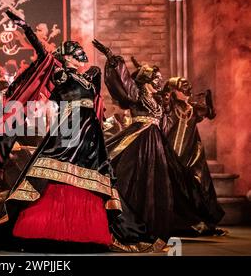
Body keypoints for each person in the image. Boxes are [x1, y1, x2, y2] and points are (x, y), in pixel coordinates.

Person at [0, 11, 164, 253]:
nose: (80, 54)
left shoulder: (90, 77)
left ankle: (90, 230)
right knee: (52, 172)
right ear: (65, 57)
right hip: (68, 129)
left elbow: (111, 91)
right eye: (74, 52)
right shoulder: (59, 74)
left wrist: (112, 58)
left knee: (92, 178)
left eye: (79, 51)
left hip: (90, 134)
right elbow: (42, 52)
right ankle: (46, 228)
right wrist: (25, 26)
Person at [94, 39, 222, 240]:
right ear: (146, 80)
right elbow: (125, 82)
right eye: (156, 78)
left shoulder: (159, 98)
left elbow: (171, 113)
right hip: (140, 138)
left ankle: (166, 219)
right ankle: (130, 217)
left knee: (165, 180)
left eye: (159, 78)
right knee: (134, 176)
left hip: (156, 140)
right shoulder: (137, 94)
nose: (159, 81)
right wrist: (112, 58)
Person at [161, 77, 225, 234]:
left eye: (188, 87)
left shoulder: (193, 108)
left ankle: (200, 220)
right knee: (173, 189)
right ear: (174, 91)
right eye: (183, 88)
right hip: (171, 155)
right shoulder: (169, 106)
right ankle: (175, 223)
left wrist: (208, 99)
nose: (188, 91)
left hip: (190, 156)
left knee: (198, 187)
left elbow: (210, 113)